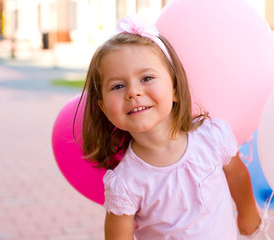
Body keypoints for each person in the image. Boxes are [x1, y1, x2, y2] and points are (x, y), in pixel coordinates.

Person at [78, 14, 261, 240]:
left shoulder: (211, 137)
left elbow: (237, 175)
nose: (133, 92)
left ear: (174, 88)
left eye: (146, 78)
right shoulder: (126, 182)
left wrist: (247, 211)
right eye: (118, 85)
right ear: (105, 109)